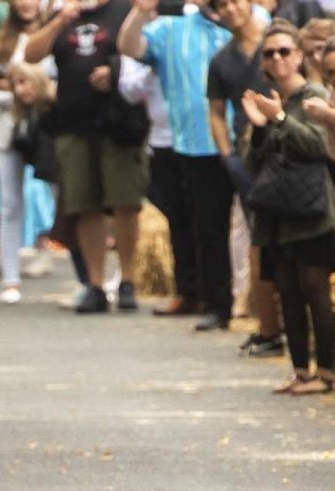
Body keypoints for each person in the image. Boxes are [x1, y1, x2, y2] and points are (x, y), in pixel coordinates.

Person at [25, 0, 149, 313]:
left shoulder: (124, 10)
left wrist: (115, 71)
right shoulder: (64, 14)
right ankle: (95, 284)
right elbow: (31, 55)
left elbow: (144, 56)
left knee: (125, 204)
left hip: (117, 124)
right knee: (84, 206)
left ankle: (128, 281)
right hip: (72, 126)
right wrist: (57, 22)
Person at [119, 0, 237, 328]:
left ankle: (240, 302)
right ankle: (205, 297)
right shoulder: (170, 28)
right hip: (191, 141)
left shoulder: (240, 22)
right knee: (196, 224)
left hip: (240, 138)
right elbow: (128, 46)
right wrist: (141, 11)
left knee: (236, 228)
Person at [244, 21, 335, 394]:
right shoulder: (269, 99)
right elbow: (252, 162)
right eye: (270, 53)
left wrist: (280, 119)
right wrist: (258, 128)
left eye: (285, 51)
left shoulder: (313, 94)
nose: (278, 58)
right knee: (286, 290)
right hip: (277, 214)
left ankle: (327, 373)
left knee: (315, 287)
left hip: (313, 209)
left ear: (300, 56)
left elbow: (320, 146)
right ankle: (300, 370)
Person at [208, 0, 284, 353]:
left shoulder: (277, 44)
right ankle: (265, 322)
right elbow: (217, 112)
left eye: (234, 1)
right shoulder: (221, 59)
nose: (229, 9)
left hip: (286, 147)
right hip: (248, 154)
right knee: (256, 239)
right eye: (220, 5)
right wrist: (227, 156)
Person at [0, 0, 54, 303]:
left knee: (59, 195)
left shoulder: (53, 33)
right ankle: (11, 278)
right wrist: (16, 95)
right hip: (9, 131)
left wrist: (39, 93)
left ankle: (73, 268)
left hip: (45, 131)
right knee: (9, 204)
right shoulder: (2, 41)